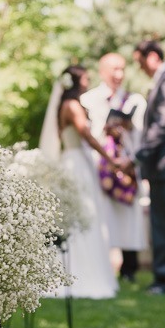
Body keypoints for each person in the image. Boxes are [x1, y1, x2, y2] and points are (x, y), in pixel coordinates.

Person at [39, 65, 118, 298]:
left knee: (87, 215)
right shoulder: (72, 105)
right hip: (75, 163)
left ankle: (86, 271)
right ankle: (79, 275)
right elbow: (85, 134)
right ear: (74, 81)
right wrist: (110, 159)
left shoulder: (71, 105)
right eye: (85, 77)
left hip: (79, 161)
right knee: (81, 216)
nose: (88, 80)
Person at [127, 40, 165, 295]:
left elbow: (161, 125)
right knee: (161, 223)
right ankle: (164, 278)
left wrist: (137, 156)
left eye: (140, 62)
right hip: (162, 167)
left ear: (152, 56)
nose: (140, 68)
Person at [81, 52, 147, 282]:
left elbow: (141, 137)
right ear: (102, 71)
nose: (119, 74)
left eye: (122, 69)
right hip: (100, 167)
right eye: (113, 69)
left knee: (129, 216)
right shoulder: (89, 100)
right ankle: (102, 266)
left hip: (126, 165)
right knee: (101, 216)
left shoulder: (135, 101)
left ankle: (130, 269)